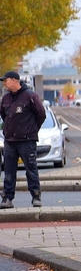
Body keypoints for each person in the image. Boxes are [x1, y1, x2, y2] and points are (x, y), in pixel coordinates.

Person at [1, 71, 46, 209]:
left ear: (15, 80)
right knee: (9, 170)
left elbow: (41, 115)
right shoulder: (6, 98)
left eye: (6, 80)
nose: (4, 83)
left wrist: (31, 130)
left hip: (27, 140)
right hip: (10, 141)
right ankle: (7, 198)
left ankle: (36, 196)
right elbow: (4, 115)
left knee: (31, 169)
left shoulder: (30, 96)